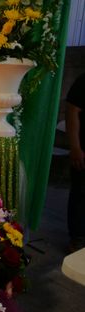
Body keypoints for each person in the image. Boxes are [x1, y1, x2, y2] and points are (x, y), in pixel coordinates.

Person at [66, 72, 85, 253]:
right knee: (81, 194)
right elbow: (72, 111)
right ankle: (77, 239)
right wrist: (75, 147)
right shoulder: (84, 79)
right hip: (83, 150)